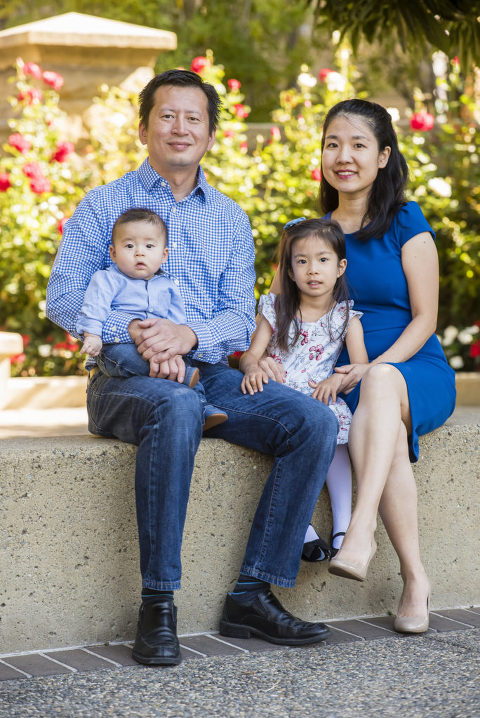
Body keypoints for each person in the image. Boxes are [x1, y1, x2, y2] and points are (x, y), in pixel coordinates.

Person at [46, 69, 339, 666]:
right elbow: (60, 297)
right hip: (125, 381)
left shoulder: (229, 218)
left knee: (311, 420)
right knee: (177, 404)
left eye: (194, 118)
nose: (180, 127)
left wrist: (189, 334)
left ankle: (253, 595)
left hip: (210, 372)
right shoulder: (104, 204)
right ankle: (158, 605)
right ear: (144, 126)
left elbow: (240, 318)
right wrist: (130, 328)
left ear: (210, 134)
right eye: (167, 115)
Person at [266, 99, 456, 634]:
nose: (343, 156)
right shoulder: (311, 236)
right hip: (340, 378)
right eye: (332, 144)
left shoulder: (405, 221)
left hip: (412, 366)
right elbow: (277, 310)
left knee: (381, 383)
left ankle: (362, 530)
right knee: (383, 427)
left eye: (357, 145)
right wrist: (259, 358)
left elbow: (425, 318)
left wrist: (371, 366)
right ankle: (415, 580)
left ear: (382, 156)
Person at [240, 217, 368, 561]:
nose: (313, 270)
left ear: (340, 267)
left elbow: (361, 368)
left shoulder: (346, 318)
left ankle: (343, 525)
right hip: (278, 394)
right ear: (290, 271)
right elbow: (249, 356)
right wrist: (254, 366)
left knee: (334, 424)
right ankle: (302, 526)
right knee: (292, 431)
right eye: (302, 261)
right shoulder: (275, 310)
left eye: (323, 260)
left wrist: (337, 380)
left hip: (318, 396)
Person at [76, 207, 227, 431]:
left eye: (149, 246)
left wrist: (173, 349)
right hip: (118, 347)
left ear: (163, 255)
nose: (139, 253)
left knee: (182, 363)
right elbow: (93, 308)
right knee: (128, 356)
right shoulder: (107, 279)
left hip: (160, 348)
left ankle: (202, 407)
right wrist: (92, 335)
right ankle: (181, 377)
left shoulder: (167, 285)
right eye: (129, 246)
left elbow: (176, 322)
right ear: (113, 253)